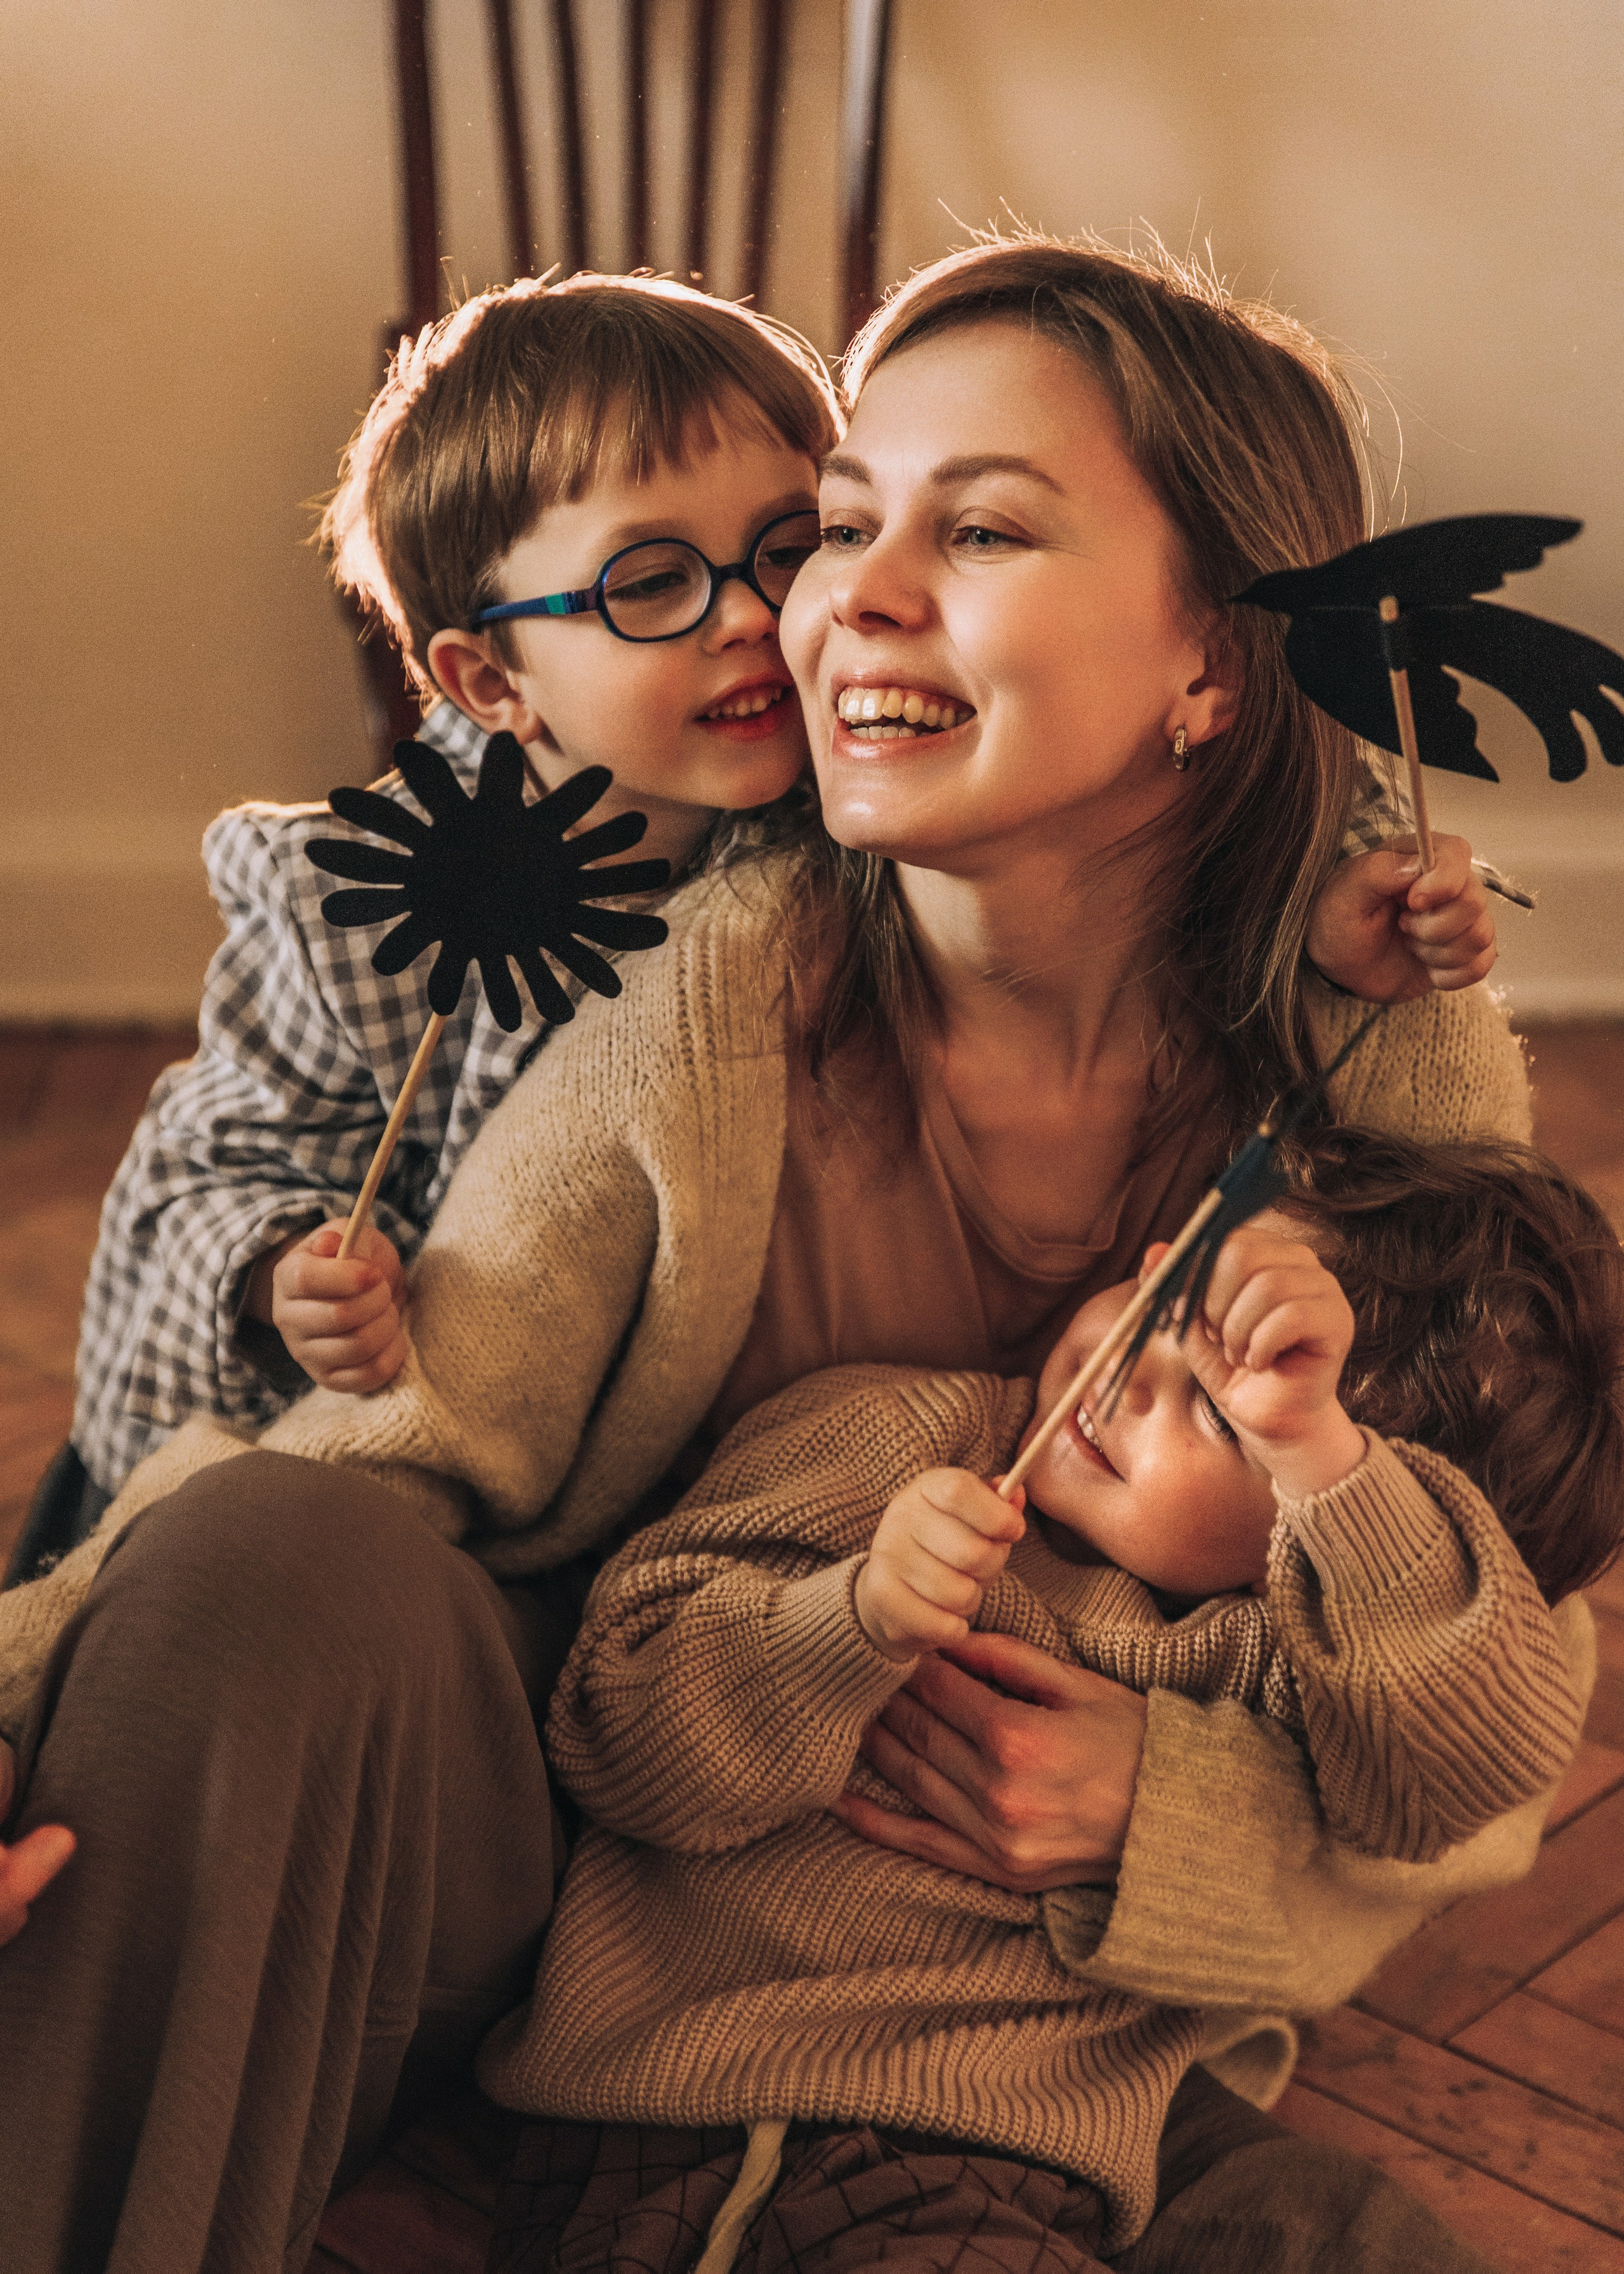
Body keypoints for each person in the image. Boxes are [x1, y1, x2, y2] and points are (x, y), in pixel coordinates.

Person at [0, 235, 1548, 2271]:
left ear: (1215, 658)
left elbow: (1492, 1713)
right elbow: (402, 1436)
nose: (839, 604)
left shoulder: (1371, 1052)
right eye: (845, 522)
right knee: (259, 1560)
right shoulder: (710, 1003)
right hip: (582, 1829)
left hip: (1004, 2007)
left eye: (980, 527)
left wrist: (1161, 1815)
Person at [490, 1129, 1621, 2267]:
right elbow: (611, 1731)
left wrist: (1327, 1460)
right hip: (749, 2105)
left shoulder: (1295, 1656)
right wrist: (850, 1620)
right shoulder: (893, 1439)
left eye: (1223, 1419)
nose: (1131, 1369)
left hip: (1051, 2166)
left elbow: (1470, 1774)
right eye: (1160, 1295)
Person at [7, 270, 839, 1584]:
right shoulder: (352, 906)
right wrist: (286, 1269)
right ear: (489, 679)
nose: (747, 612)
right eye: (650, 582)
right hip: (330, 1461)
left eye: (790, 547)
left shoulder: (830, 835)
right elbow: (212, 1162)